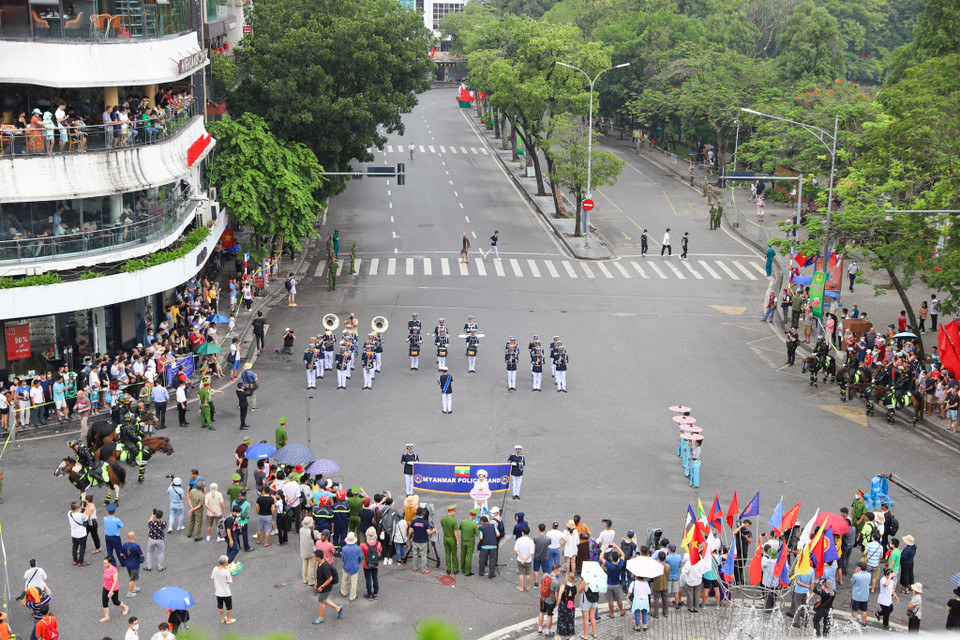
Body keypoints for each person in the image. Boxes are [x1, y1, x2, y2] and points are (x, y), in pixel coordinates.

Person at [314, 550, 343, 624]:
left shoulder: (325, 567)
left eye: (315, 556)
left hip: (325, 588)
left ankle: (321, 618)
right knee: (324, 599)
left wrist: (322, 586)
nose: (314, 557)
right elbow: (319, 574)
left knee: (321, 602)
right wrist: (316, 582)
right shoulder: (320, 563)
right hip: (322, 585)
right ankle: (338, 608)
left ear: (318, 558)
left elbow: (330, 578)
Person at [100, 557, 129, 622]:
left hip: (114, 588)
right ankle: (107, 616)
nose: (104, 564)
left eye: (105, 563)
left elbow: (115, 581)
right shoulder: (105, 569)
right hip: (106, 587)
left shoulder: (114, 570)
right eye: (104, 563)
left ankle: (125, 607)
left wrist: (111, 591)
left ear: (110, 563)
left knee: (115, 601)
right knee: (104, 601)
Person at [211, 555, 236, 624]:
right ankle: (228, 619)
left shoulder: (215, 569)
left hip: (218, 592)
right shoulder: (226, 572)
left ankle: (222, 618)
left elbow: (212, 577)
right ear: (225, 563)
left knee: (220, 606)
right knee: (228, 607)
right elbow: (229, 581)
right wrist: (234, 575)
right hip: (226, 593)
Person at [339, 532, 362, 601]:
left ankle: (343, 592)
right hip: (355, 566)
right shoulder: (358, 548)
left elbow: (342, 558)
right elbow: (360, 558)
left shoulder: (344, 548)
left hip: (346, 566)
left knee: (344, 580)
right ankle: (352, 596)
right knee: (354, 582)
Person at [120, 531, 144, 597]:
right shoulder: (136, 546)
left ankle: (134, 588)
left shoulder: (125, 545)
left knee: (132, 576)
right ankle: (129, 592)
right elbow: (141, 555)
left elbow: (121, 554)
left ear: (128, 537)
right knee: (133, 579)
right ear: (134, 537)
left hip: (128, 563)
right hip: (135, 564)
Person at [360, 527, 381, 599]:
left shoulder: (364, 545)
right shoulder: (378, 544)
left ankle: (369, 594)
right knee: (375, 578)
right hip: (375, 564)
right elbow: (379, 555)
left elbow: (363, 555)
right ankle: (375, 593)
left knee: (368, 579)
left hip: (367, 564)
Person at [556, 572, 578, 640]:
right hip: (571, 605)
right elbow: (573, 596)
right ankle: (571, 635)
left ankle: (560, 634)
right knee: (570, 620)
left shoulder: (563, 587)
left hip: (564, 605)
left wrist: (557, 603)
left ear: (567, 578)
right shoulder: (575, 587)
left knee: (562, 619)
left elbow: (559, 597)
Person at [440, 505, 460, 575]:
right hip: (452, 539)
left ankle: (448, 569)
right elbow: (456, 532)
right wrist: (457, 540)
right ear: (451, 511)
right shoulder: (454, 521)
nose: (454, 513)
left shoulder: (443, 519)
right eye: (454, 511)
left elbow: (443, 526)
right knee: (454, 555)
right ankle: (455, 569)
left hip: (445, 538)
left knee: (447, 554)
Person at [578, 573, 600, 638]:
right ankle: (595, 633)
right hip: (594, 600)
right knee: (592, 617)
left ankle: (585, 635)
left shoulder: (585, 581)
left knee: (586, 619)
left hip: (586, 600)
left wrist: (581, 582)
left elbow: (579, 591)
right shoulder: (596, 580)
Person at [849, 561, 870, 627]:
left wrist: (855, 573)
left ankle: (853, 623)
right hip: (865, 596)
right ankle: (864, 623)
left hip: (856, 596)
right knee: (864, 610)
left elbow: (852, 581)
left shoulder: (856, 575)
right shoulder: (869, 575)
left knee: (854, 610)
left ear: (859, 568)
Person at [515, 525, 535, 591]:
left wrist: (522, 558)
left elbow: (516, 550)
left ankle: (521, 587)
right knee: (528, 573)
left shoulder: (518, 540)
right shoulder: (531, 541)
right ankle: (528, 586)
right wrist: (525, 559)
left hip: (520, 560)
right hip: (528, 560)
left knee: (521, 573)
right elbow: (531, 552)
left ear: (522, 532)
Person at [69, 501, 89, 566]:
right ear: (77, 507)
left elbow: (77, 512)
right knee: (82, 548)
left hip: (73, 534)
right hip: (81, 534)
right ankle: (81, 561)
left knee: (75, 547)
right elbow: (86, 518)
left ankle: (75, 560)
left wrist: (80, 509)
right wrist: (85, 510)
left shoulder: (69, 513)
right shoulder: (81, 516)